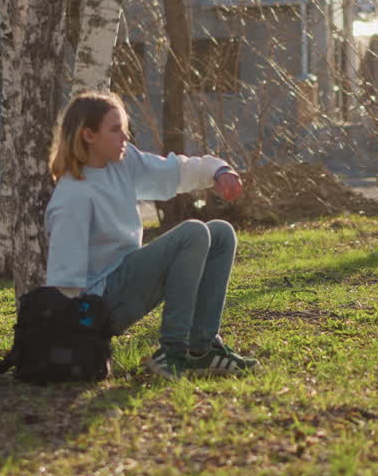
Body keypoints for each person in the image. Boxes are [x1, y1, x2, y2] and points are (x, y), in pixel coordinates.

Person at [44, 91, 259, 379]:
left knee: (220, 233)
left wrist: (218, 170)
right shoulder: (73, 195)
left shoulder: (122, 162)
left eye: (124, 128)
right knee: (192, 233)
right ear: (88, 135)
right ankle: (172, 352)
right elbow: (63, 279)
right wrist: (72, 344)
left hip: (128, 280)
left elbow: (174, 172)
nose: (125, 137)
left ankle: (201, 349)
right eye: (115, 129)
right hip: (98, 306)